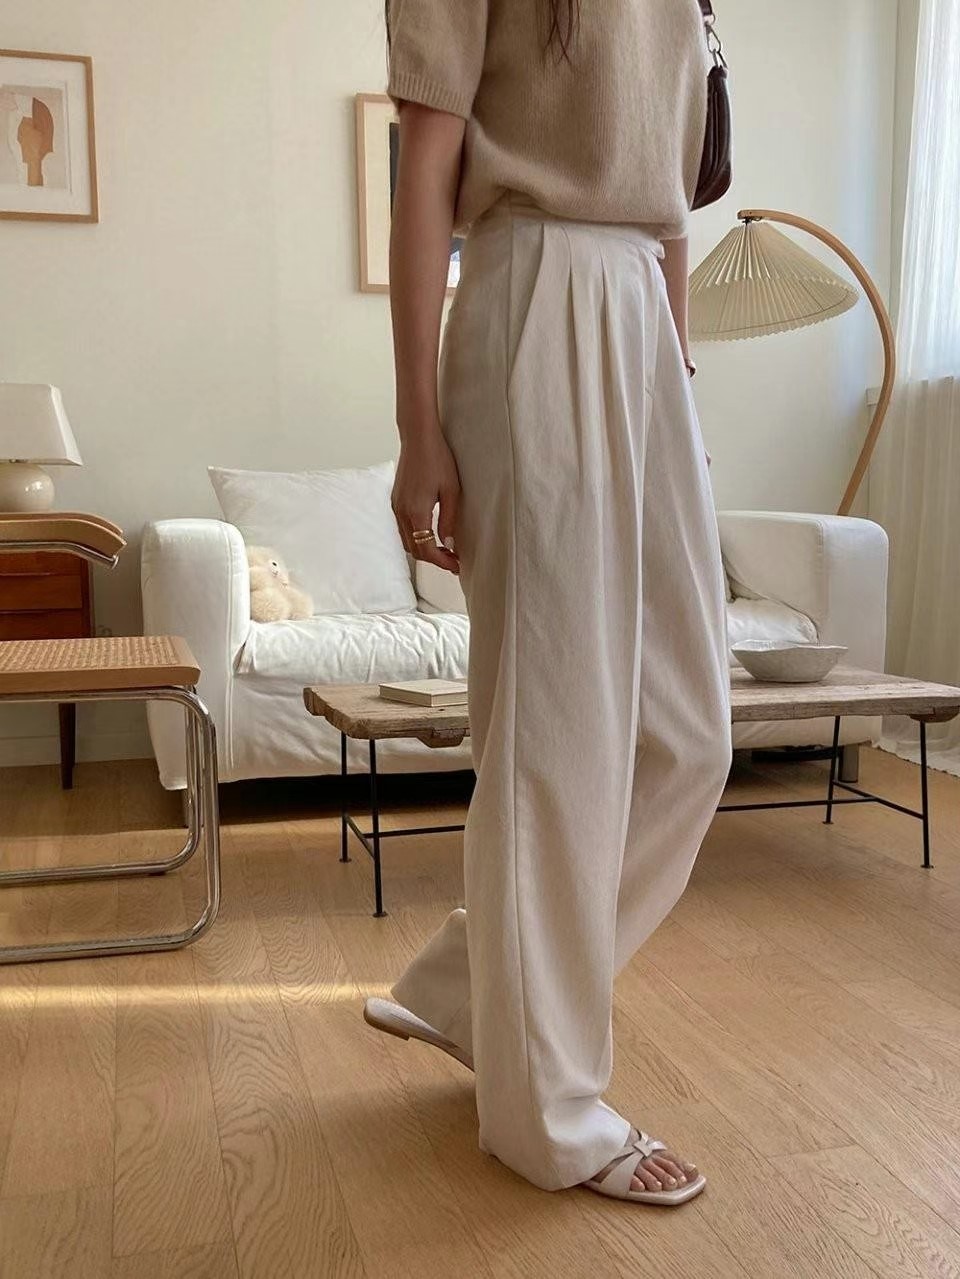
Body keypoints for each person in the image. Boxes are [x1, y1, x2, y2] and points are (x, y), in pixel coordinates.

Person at [364, 0, 733, 1206]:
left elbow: (670, 200)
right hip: (534, 289)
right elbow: (427, 168)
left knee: (688, 734)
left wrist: (674, 376)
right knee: (557, 741)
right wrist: (420, 430)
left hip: (643, 316)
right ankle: (549, 1115)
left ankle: (475, 990)